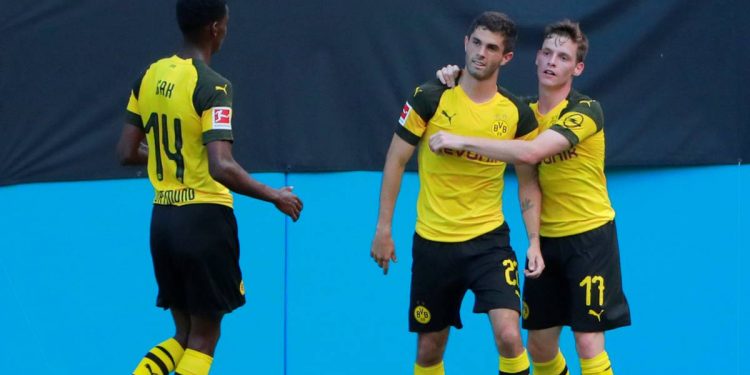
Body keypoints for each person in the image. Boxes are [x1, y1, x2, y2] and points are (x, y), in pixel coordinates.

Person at [431, 20, 631, 375]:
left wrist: (458, 140)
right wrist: (456, 75)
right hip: (546, 243)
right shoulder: (521, 113)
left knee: (587, 342)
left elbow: (530, 153)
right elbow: (481, 100)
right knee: (539, 349)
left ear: (577, 68)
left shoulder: (585, 111)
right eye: (548, 53)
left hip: (590, 238)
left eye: (564, 57)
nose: (553, 61)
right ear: (536, 59)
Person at [116, 1, 303, 374]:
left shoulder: (149, 76)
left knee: (183, 335)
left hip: (163, 220)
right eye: (227, 24)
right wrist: (275, 196)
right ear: (215, 28)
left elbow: (125, 151)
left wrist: (167, 158)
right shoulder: (213, 86)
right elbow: (222, 166)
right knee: (205, 337)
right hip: (203, 222)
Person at [370, 11, 545, 375]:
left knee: (510, 336)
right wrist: (383, 229)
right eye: (476, 43)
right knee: (429, 350)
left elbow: (527, 181)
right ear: (466, 43)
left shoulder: (516, 113)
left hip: (489, 243)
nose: (481, 52)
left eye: (492, 47)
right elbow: (395, 161)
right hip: (434, 243)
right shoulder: (430, 97)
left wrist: (534, 240)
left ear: (506, 58)